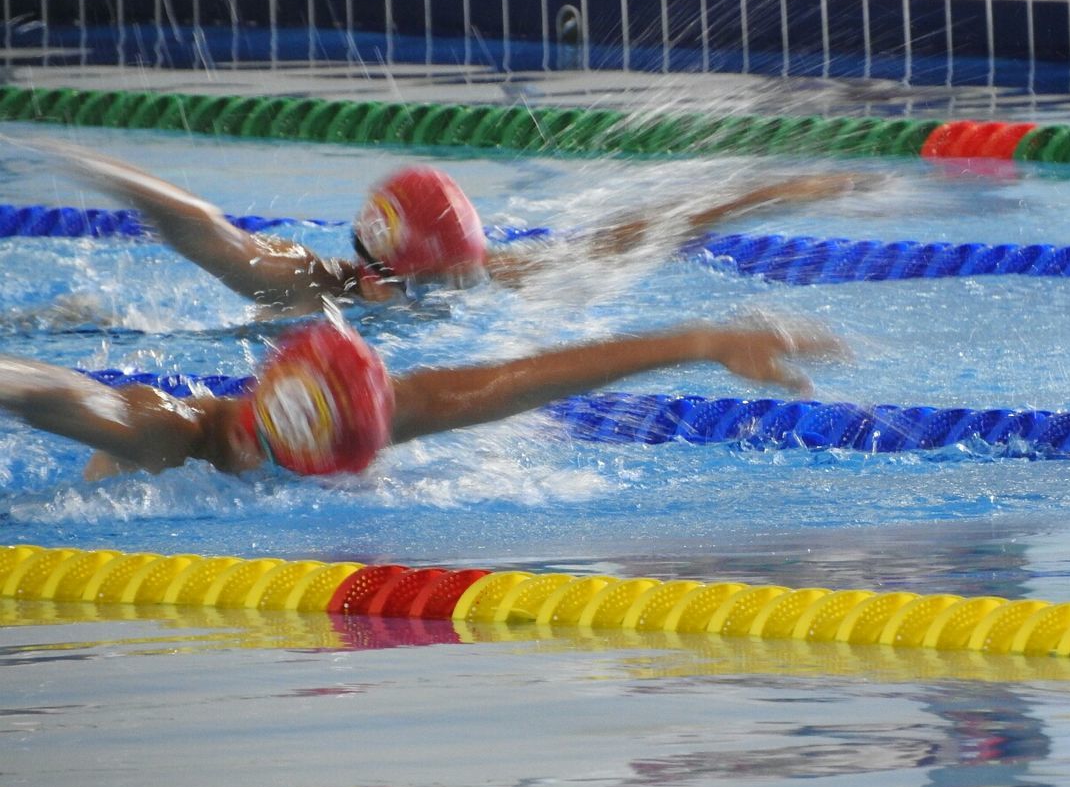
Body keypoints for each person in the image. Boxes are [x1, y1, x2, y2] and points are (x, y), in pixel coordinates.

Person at [35, 138, 880, 320]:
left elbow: (629, 237)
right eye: (427, 280)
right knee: (94, 321)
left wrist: (773, 191)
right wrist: (98, 172)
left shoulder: (477, 277)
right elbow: (204, 232)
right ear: (374, 269)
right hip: (222, 358)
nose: (443, 291)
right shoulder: (301, 279)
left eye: (447, 277)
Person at [0, 313, 844, 481]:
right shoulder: (164, 433)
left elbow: (513, 385)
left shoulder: (349, 416)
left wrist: (704, 341)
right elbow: (49, 392)